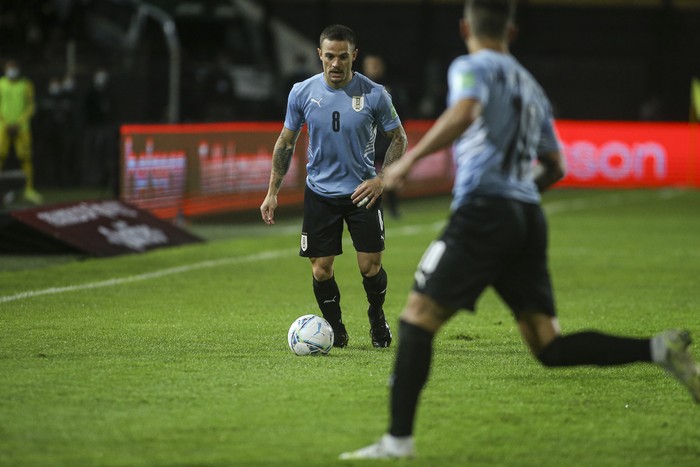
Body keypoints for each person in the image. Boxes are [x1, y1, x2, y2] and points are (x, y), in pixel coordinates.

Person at [340, 0, 700, 460]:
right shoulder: (532, 87)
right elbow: (556, 167)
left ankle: (397, 441)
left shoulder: (471, 66)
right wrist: (516, 195)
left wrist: (410, 159)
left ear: (465, 27)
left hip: (483, 212)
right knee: (547, 345)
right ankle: (658, 348)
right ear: (511, 32)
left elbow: (467, 110)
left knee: (415, 319)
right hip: (526, 217)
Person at [260, 24, 408, 348]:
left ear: (354, 55)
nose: (336, 64)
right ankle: (335, 329)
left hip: (362, 193)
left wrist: (382, 179)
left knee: (371, 267)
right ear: (319, 55)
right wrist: (272, 192)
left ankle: (376, 316)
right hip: (320, 194)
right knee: (321, 271)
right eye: (329, 56)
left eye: (343, 56)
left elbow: (399, 138)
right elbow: (286, 143)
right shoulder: (301, 92)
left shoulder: (375, 94)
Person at [361, 53, 401, 218]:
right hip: (367, 140)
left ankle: (393, 208)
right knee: (365, 176)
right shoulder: (359, 88)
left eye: (376, 65)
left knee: (389, 174)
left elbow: (399, 112)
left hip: (386, 139)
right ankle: (367, 209)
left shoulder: (390, 88)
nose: (373, 68)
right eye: (370, 65)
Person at [0, 59, 42, 203]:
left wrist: (19, 122)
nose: (12, 70)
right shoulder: (1, 84)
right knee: (0, 155)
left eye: (15, 67)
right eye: (9, 67)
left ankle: (28, 190)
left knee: (25, 157)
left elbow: (31, 106)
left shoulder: (26, 84)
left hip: (22, 127)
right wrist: (5, 122)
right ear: (5, 68)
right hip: (2, 126)